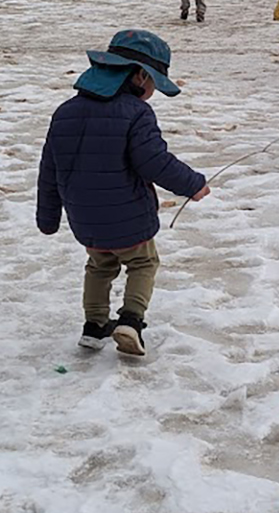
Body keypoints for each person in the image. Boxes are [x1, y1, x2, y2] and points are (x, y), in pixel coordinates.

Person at [38, 30, 209, 358]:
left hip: (85, 219)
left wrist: (48, 218)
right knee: (143, 263)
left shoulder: (65, 112)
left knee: (99, 266)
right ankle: (131, 321)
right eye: (154, 84)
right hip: (129, 218)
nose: (152, 93)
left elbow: (49, 169)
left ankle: (93, 326)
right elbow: (154, 162)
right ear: (140, 75)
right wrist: (193, 185)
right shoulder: (136, 113)